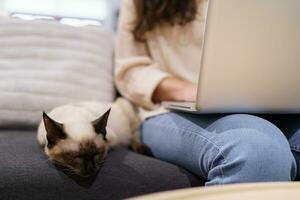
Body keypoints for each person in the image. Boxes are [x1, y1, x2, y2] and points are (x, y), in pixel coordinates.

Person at [114, 0, 300, 185]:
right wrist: (184, 90)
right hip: (168, 109)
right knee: (257, 150)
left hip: (267, 106)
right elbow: (130, 71)